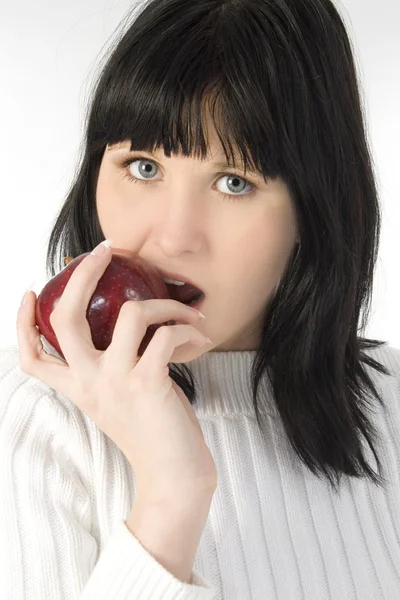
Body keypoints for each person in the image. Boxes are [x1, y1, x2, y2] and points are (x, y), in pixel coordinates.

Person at [1, 0, 400, 598]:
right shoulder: (41, 423)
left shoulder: (387, 408)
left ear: (313, 211)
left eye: (234, 182)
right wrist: (170, 495)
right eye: (141, 166)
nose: (172, 237)